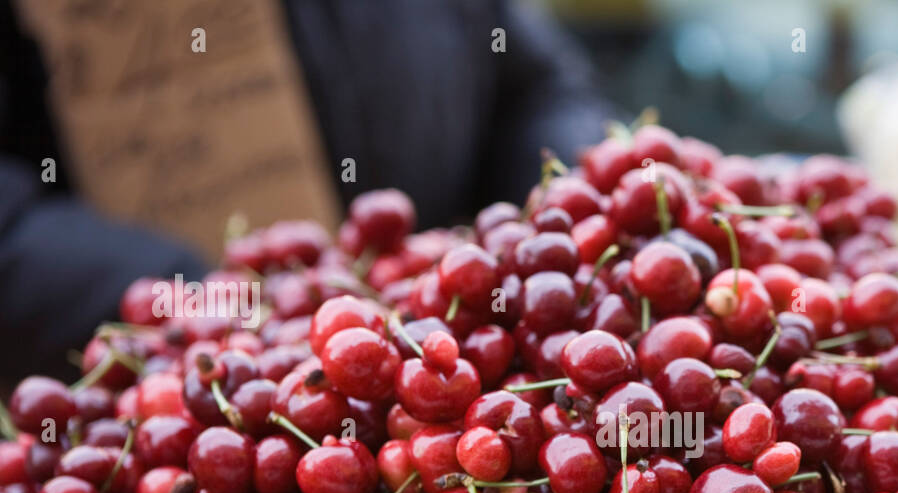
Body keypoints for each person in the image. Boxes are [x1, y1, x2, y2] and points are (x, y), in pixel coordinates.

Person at [0, 0, 611, 381]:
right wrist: (173, 290)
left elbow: (534, 87)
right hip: (156, 408)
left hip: (453, 359)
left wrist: (563, 222)